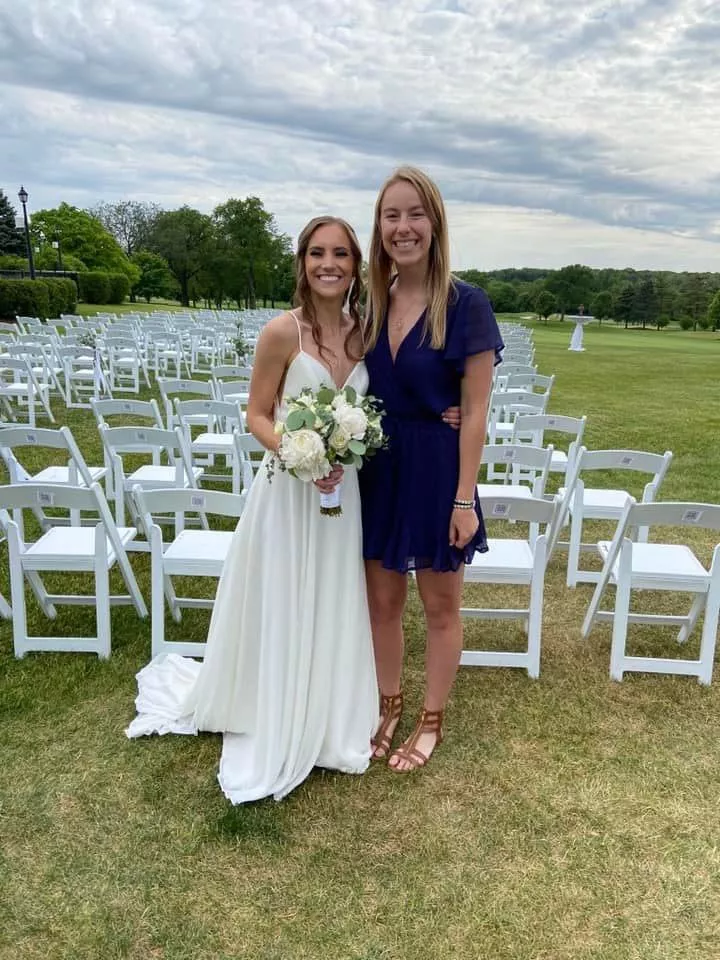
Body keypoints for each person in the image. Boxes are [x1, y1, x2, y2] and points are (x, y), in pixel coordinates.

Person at [126, 216, 379, 804]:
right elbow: (257, 414)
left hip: (345, 490)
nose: (329, 264)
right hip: (288, 491)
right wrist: (301, 451)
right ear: (302, 262)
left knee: (336, 593)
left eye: (341, 254)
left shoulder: (364, 332)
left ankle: (329, 711)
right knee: (286, 592)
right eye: (317, 253)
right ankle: (276, 703)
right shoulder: (280, 332)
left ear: (356, 266)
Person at [360, 166, 504, 772]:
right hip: (377, 470)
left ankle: (431, 719)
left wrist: (464, 500)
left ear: (435, 221)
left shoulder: (465, 304)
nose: (403, 226)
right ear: (380, 226)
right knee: (382, 604)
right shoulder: (368, 302)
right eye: (392, 215)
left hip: (439, 474)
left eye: (415, 213)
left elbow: (474, 413)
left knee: (441, 606)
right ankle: (388, 704)